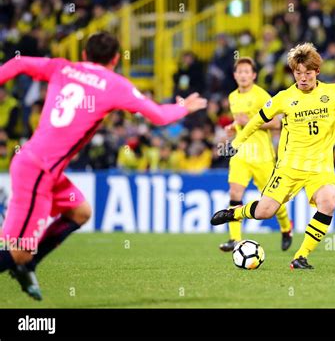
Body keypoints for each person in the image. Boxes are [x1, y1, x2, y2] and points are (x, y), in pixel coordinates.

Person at [0, 32, 207, 300]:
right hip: (39, 170)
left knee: (80, 212)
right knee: (18, 250)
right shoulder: (115, 85)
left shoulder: (63, 66)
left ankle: (28, 265)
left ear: (85, 54)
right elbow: (158, 115)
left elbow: (17, 64)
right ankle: (24, 261)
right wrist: (184, 109)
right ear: (116, 59)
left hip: (40, 165)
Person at [211, 43, 335, 269]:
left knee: (329, 202)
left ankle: (301, 256)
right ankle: (235, 213)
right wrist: (237, 142)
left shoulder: (334, 92)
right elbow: (258, 119)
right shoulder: (284, 97)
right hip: (289, 167)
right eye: (298, 73)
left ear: (317, 71)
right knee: (265, 211)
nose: (302, 78)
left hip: (320, 168)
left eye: (307, 73)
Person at [219, 57, 293, 252]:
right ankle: (234, 239)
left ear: (253, 75)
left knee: (274, 199)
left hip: (262, 156)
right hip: (241, 154)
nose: (243, 75)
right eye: (239, 72)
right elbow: (240, 123)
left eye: (247, 72)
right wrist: (233, 127)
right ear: (235, 76)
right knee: (235, 194)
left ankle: (286, 228)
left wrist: (249, 120)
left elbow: (277, 123)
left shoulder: (261, 95)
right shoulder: (232, 97)